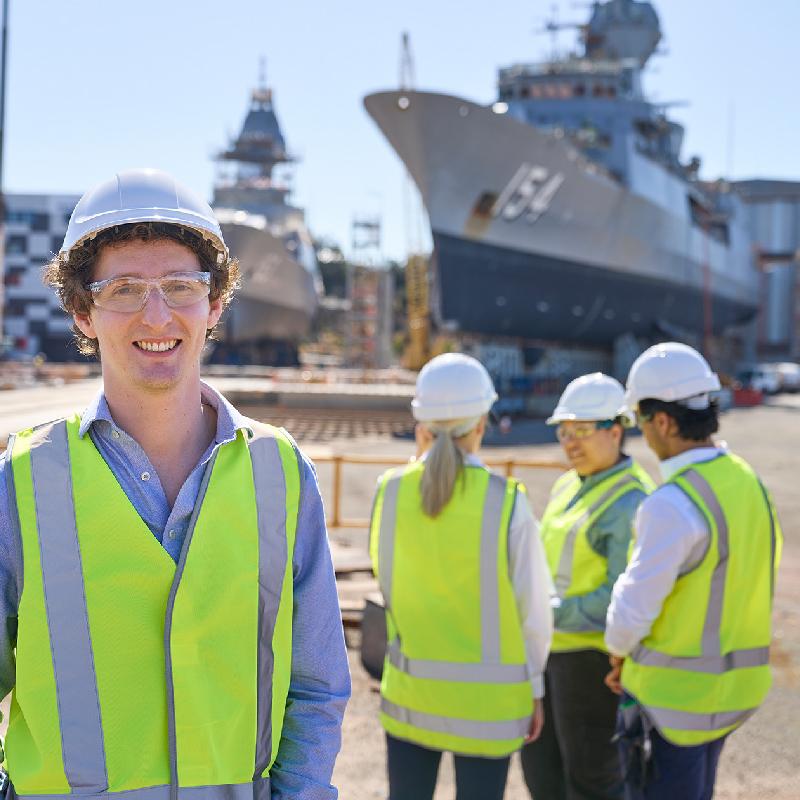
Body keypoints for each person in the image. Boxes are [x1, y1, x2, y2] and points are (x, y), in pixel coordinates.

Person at [0, 169, 350, 800]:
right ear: (83, 313)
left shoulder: (280, 472)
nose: (156, 313)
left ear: (214, 303)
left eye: (180, 286)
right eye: (125, 289)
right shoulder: (22, 483)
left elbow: (316, 686)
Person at [369, 353, 552, 800]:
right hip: (489, 710)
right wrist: (536, 687)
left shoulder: (389, 493)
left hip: (411, 698)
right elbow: (535, 614)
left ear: (421, 423)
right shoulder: (507, 503)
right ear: (482, 423)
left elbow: (388, 581)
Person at [605, 342, 783, 800]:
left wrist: (618, 651)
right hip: (734, 693)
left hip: (674, 704)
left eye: (640, 421)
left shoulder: (671, 505)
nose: (641, 433)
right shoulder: (748, 481)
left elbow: (631, 612)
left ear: (663, 421)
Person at [521, 373, 655, 800]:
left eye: (582, 431)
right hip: (549, 653)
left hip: (592, 662)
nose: (570, 443)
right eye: (564, 431)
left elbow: (621, 595)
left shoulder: (631, 501)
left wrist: (549, 611)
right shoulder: (569, 484)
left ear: (616, 431)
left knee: (592, 780)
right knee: (543, 774)